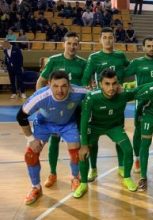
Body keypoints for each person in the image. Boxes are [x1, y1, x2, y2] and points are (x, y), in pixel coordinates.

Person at [16, 70, 87, 205]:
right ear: (49, 85)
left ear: (69, 85)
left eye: (64, 86)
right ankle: (36, 188)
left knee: (76, 152)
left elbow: (97, 95)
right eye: (55, 86)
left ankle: (74, 177)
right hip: (44, 124)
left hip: (68, 124)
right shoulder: (40, 96)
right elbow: (21, 116)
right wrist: (31, 139)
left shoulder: (79, 92)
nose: (60, 90)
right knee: (30, 155)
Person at [73, 69, 138, 198]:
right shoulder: (91, 97)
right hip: (95, 126)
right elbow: (84, 121)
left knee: (128, 150)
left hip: (115, 127)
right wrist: (84, 144)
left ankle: (127, 177)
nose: (111, 87)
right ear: (100, 84)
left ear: (118, 83)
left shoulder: (123, 95)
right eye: (107, 84)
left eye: (114, 83)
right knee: (83, 153)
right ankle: (85, 182)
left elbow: (142, 90)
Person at [35, 32, 86, 188]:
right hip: (56, 109)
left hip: (76, 109)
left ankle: (75, 176)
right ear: (64, 44)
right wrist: (41, 104)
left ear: (78, 45)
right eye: (69, 43)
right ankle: (52, 173)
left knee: (76, 143)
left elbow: (86, 87)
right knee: (54, 141)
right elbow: (41, 81)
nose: (72, 46)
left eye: (75, 43)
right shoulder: (54, 60)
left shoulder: (83, 63)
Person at [81, 27, 130, 182]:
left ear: (114, 39)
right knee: (92, 140)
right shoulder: (94, 57)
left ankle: (122, 167)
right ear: (100, 40)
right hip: (100, 101)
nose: (108, 40)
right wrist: (92, 91)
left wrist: (124, 87)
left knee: (119, 136)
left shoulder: (121, 55)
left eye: (111, 37)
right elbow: (85, 78)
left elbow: (129, 69)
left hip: (117, 102)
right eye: (105, 37)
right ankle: (93, 168)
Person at [125, 37, 153, 172]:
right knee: (139, 132)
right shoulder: (136, 63)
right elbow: (122, 75)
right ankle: (137, 159)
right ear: (143, 48)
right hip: (141, 105)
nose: (151, 48)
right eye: (148, 46)